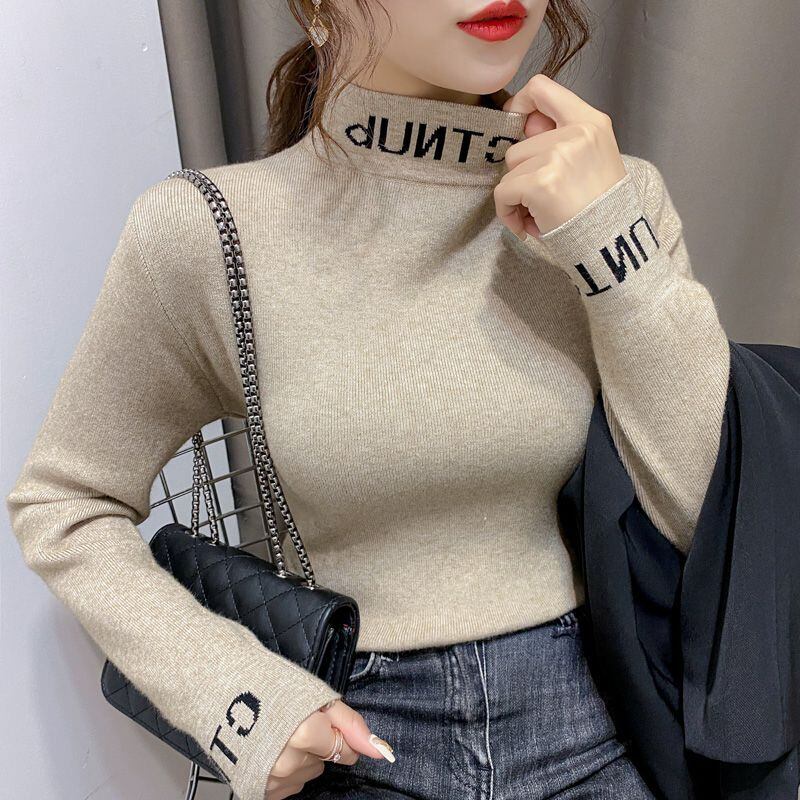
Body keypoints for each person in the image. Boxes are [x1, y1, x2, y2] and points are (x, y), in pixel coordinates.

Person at [5, 1, 732, 798]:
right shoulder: (212, 230)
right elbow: (64, 500)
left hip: (596, 732)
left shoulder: (613, 204)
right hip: (356, 750)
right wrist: (237, 698)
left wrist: (608, 237)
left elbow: (706, 513)